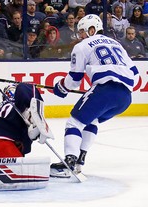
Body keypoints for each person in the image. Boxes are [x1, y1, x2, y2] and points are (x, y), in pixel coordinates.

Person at [50, 14, 139, 178]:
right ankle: (79, 161)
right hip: (125, 97)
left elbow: (74, 79)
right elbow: (136, 74)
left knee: (74, 123)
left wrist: (61, 88)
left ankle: (69, 162)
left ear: (92, 30)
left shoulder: (83, 46)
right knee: (91, 120)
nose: (81, 35)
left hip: (105, 90)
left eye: (82, 31)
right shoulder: (117, 44)